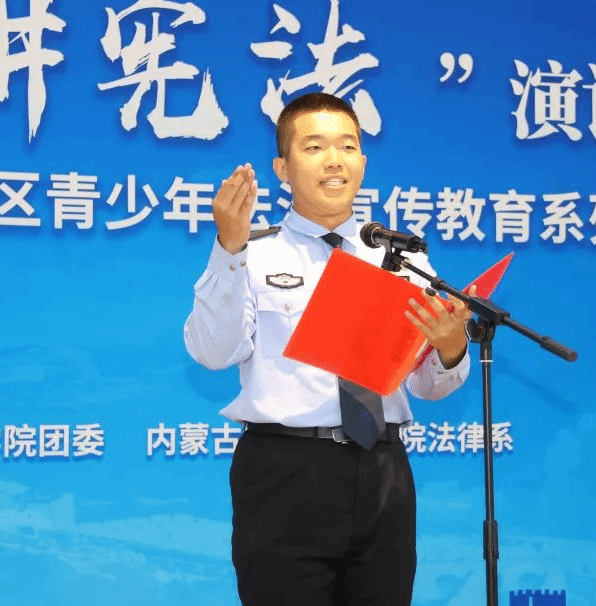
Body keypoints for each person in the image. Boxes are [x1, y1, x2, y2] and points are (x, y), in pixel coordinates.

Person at [183, 92, 474, 606]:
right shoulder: (253, 252)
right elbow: (212, 352)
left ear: (363, 162)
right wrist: (228, 248)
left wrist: (451, 349)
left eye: (348, 146)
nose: (334, 160)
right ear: (282, 168)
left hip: (383, 466)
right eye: (314, 147)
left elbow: (428, 387)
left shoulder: (405, 261)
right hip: (286, 469)